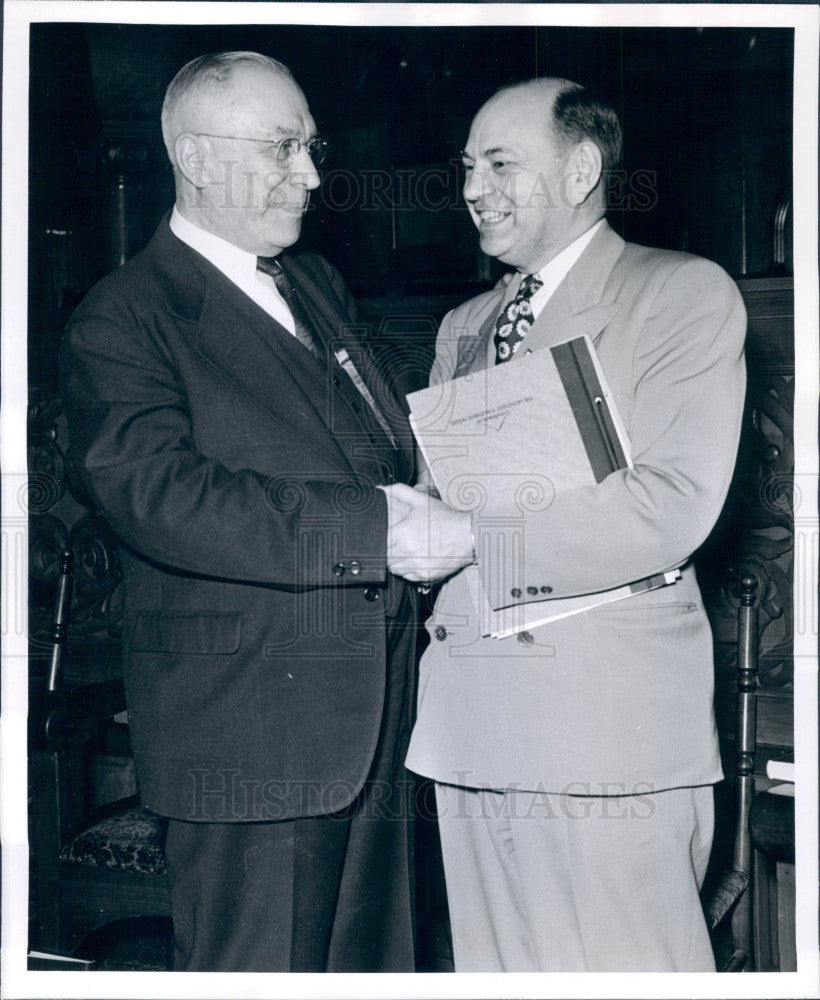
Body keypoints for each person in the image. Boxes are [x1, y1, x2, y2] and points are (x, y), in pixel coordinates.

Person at [60, 51, 419, 972]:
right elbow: (161, 497)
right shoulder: (124, 316)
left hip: (375, 723)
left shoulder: (314, 286)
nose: (311, 173)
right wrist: (387, 531)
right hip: (251, 742)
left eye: (311, 145)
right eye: (282, 147)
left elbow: (379, 451)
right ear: (193, 155)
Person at [382, 77, 746, 972]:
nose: (472, 188)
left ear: (582, 166)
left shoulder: (680, 293)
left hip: (604, 732)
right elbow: (445, 501)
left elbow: (671, 505)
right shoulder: (465, 324)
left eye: (501, 164)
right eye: (467, 167)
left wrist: (467, 537)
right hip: (470, 724)